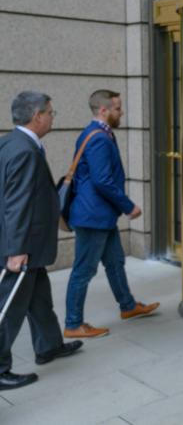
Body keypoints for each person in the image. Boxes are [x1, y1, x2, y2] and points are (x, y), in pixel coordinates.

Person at [0, 91, 83, 390]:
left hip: (29, 244)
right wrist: (16, 250)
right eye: (51, 112)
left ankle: (48, 346)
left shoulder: (12, 142)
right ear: (37, 116)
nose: (52, 117)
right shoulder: (23, 150)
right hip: (23, 247)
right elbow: (17, 202)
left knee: (39, 299)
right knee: (10, 309)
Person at [63, 90, 159, 338]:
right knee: (84, 270)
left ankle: (128, 306)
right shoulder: (98, 139)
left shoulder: (98, 134)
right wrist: (129, 206)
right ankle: (73, 324)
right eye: (117, 108)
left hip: (100, 216)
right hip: (93, 217)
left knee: (115, 262)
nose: (122, 112)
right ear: (103, 110)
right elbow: (102, 180)